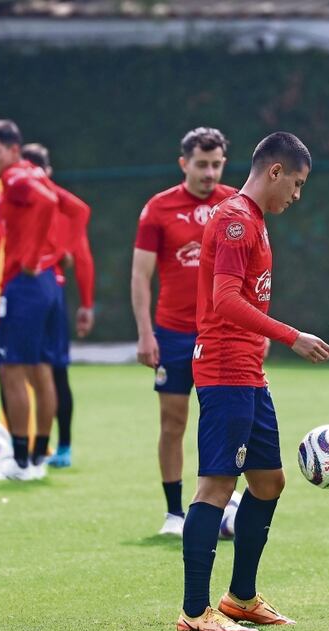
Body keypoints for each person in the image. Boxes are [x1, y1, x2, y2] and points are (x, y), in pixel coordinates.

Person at [177, 132, 329, 631]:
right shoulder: (236, 221)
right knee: (216, 485)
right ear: (275, 171)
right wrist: (291, 336)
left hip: (248, 372)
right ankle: (194, 612)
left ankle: (240, 598)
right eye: (297, 183)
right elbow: (223, 299)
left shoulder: (255, 220)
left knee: (268, 482)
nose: (297, 194)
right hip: (225, 370)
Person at [131, 128, 237, 535]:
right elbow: (140, 276)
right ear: (184, 164)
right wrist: (145, 333)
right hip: (173, 333)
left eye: (216, 165)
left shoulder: (235, 204)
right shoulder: (158, 208)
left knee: (228, 421)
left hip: (224, 333)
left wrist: (259, 329)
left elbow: (253, 272)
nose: (209, 173)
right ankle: (174, 513)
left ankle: (223, 500)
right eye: (201, 165)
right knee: (173, 422)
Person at [0, 120, 60, 482]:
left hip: (24, 284)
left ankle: (21, 462)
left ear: (14, 150)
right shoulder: (34, 175)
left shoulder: (15, 178)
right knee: (40, 370)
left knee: (11, 370)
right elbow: (73, 208)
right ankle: (38, 457)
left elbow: (47, 203)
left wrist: (29, 256)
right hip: (47, 281)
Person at [23, 143, 95, 468]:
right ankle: (56, 447)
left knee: (20, 370)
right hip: (50, 293)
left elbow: (81, 257)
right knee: (52, 372)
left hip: (35, 295)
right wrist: (86, 305)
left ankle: (34, 447)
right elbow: (82, 257)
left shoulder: (30, 203)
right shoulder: (61, 204)